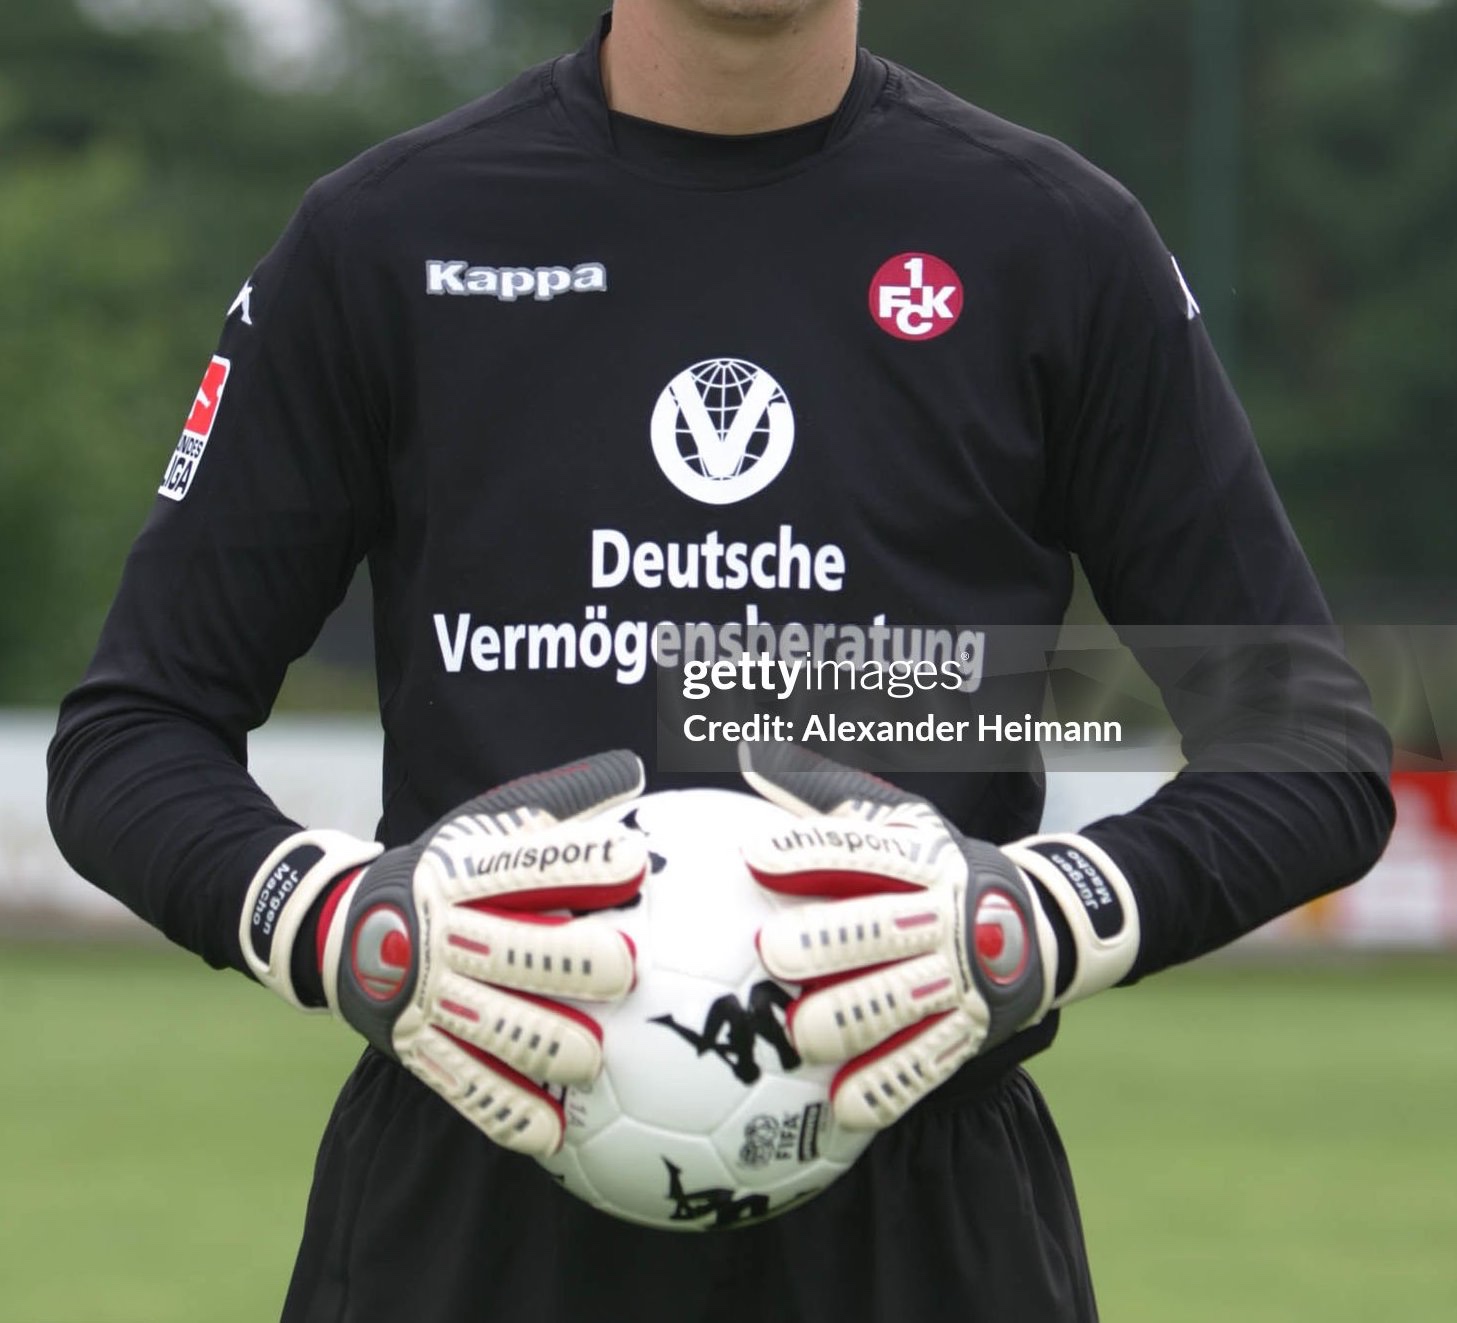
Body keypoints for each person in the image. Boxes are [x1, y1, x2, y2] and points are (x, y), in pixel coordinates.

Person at [47, 2, 1395, 1320]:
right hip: (476, 1180)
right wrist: (343, 921)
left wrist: (1040, 920)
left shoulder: (1052, 239)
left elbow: (1308, 748)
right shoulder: (390, 235)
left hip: (922, 1205)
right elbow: (132, 734)